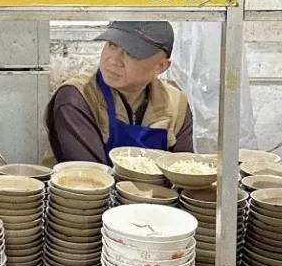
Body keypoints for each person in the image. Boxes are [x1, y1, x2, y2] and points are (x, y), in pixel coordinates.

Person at [46, 21, 194, 164]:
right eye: (112, 45)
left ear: (161, 66)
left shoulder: (176, 104)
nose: (113, 60)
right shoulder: (77, 97)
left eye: (131, 52)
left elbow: (184, 171)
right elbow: (89, 175)